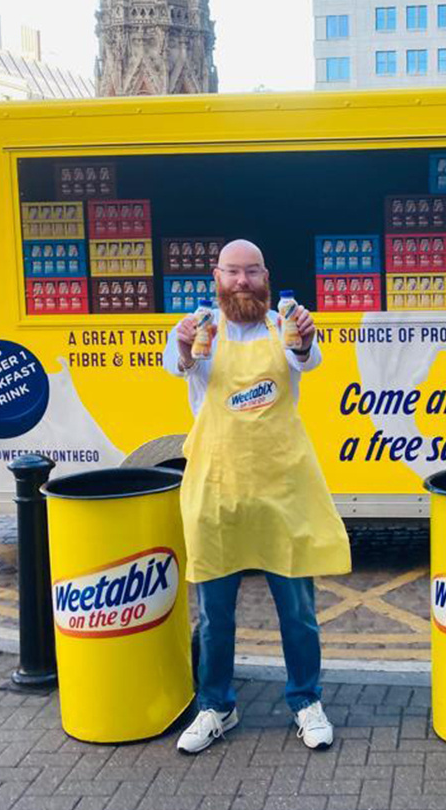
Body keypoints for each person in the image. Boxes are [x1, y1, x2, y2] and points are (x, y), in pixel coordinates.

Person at [163, 239, 352, 754]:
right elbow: (178, 366)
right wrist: (183, 348)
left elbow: (309, 360)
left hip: (281, 490)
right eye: (233, 273)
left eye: (251, 273)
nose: (242, 282)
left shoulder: (286, 323)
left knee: (297, 610)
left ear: (266, 275)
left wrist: (304, 340)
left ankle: (306, 700)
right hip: (216, 489)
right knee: (215, 613)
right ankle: (215, 705)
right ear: (216, 276)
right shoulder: (199, 331)